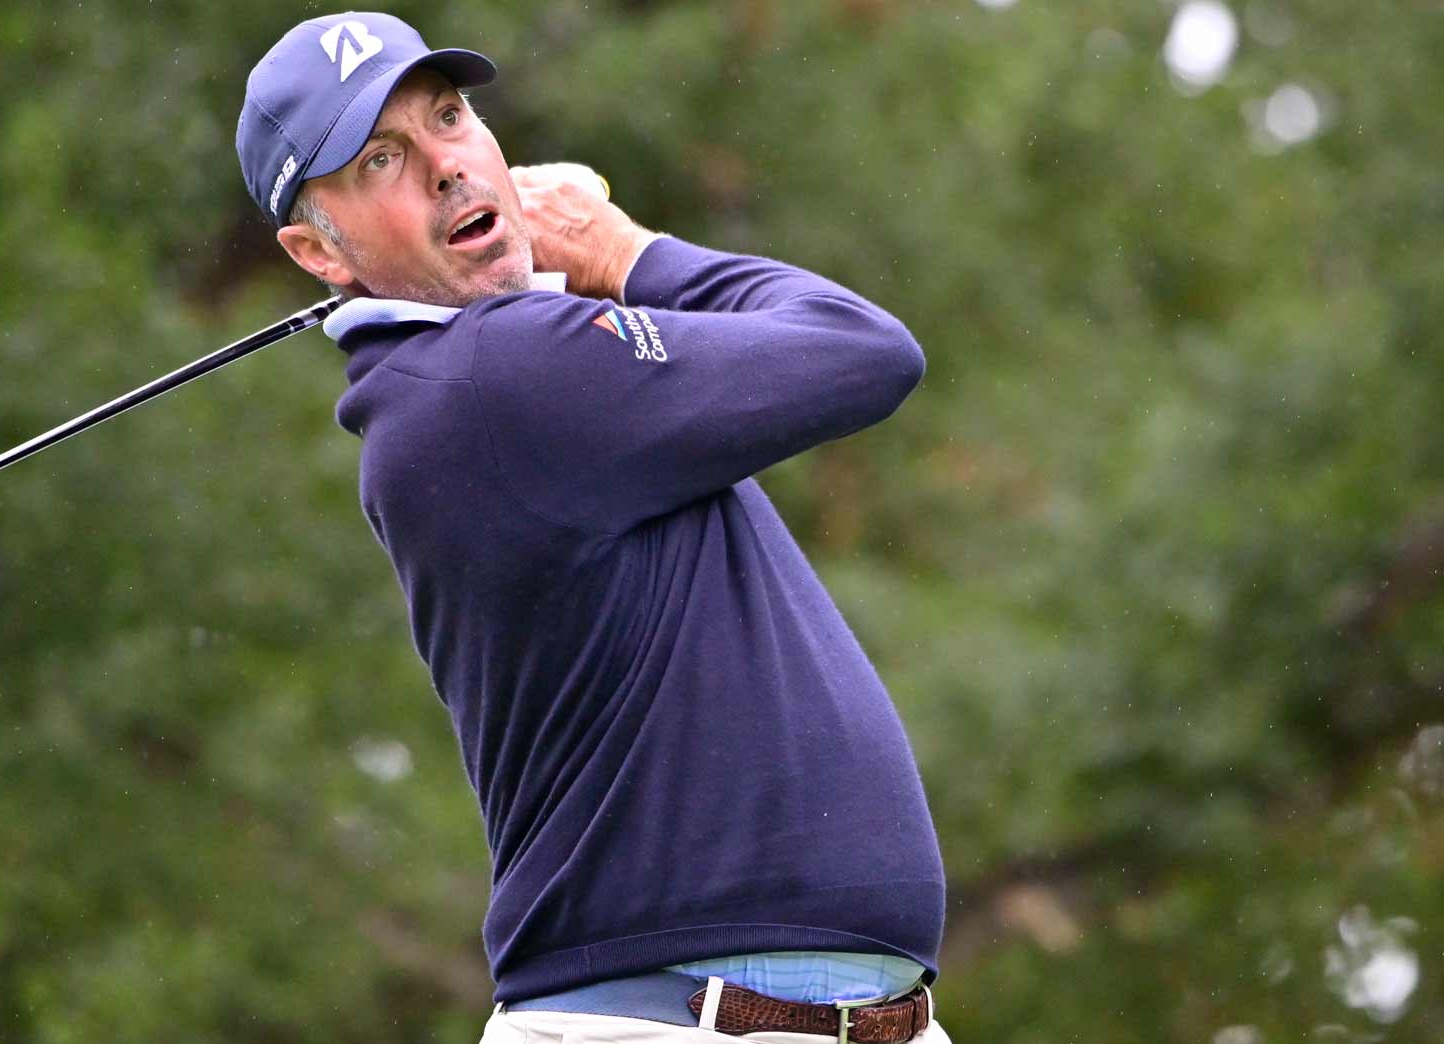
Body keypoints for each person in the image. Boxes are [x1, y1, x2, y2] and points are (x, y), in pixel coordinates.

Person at [236, 13, 949, 1044]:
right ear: (317, 251)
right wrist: (622, 249)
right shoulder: (497, 373)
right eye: (379, 157)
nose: (444, 165)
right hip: (668, 1020)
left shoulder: (492, 377)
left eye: (448, 117)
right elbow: (862, 349)